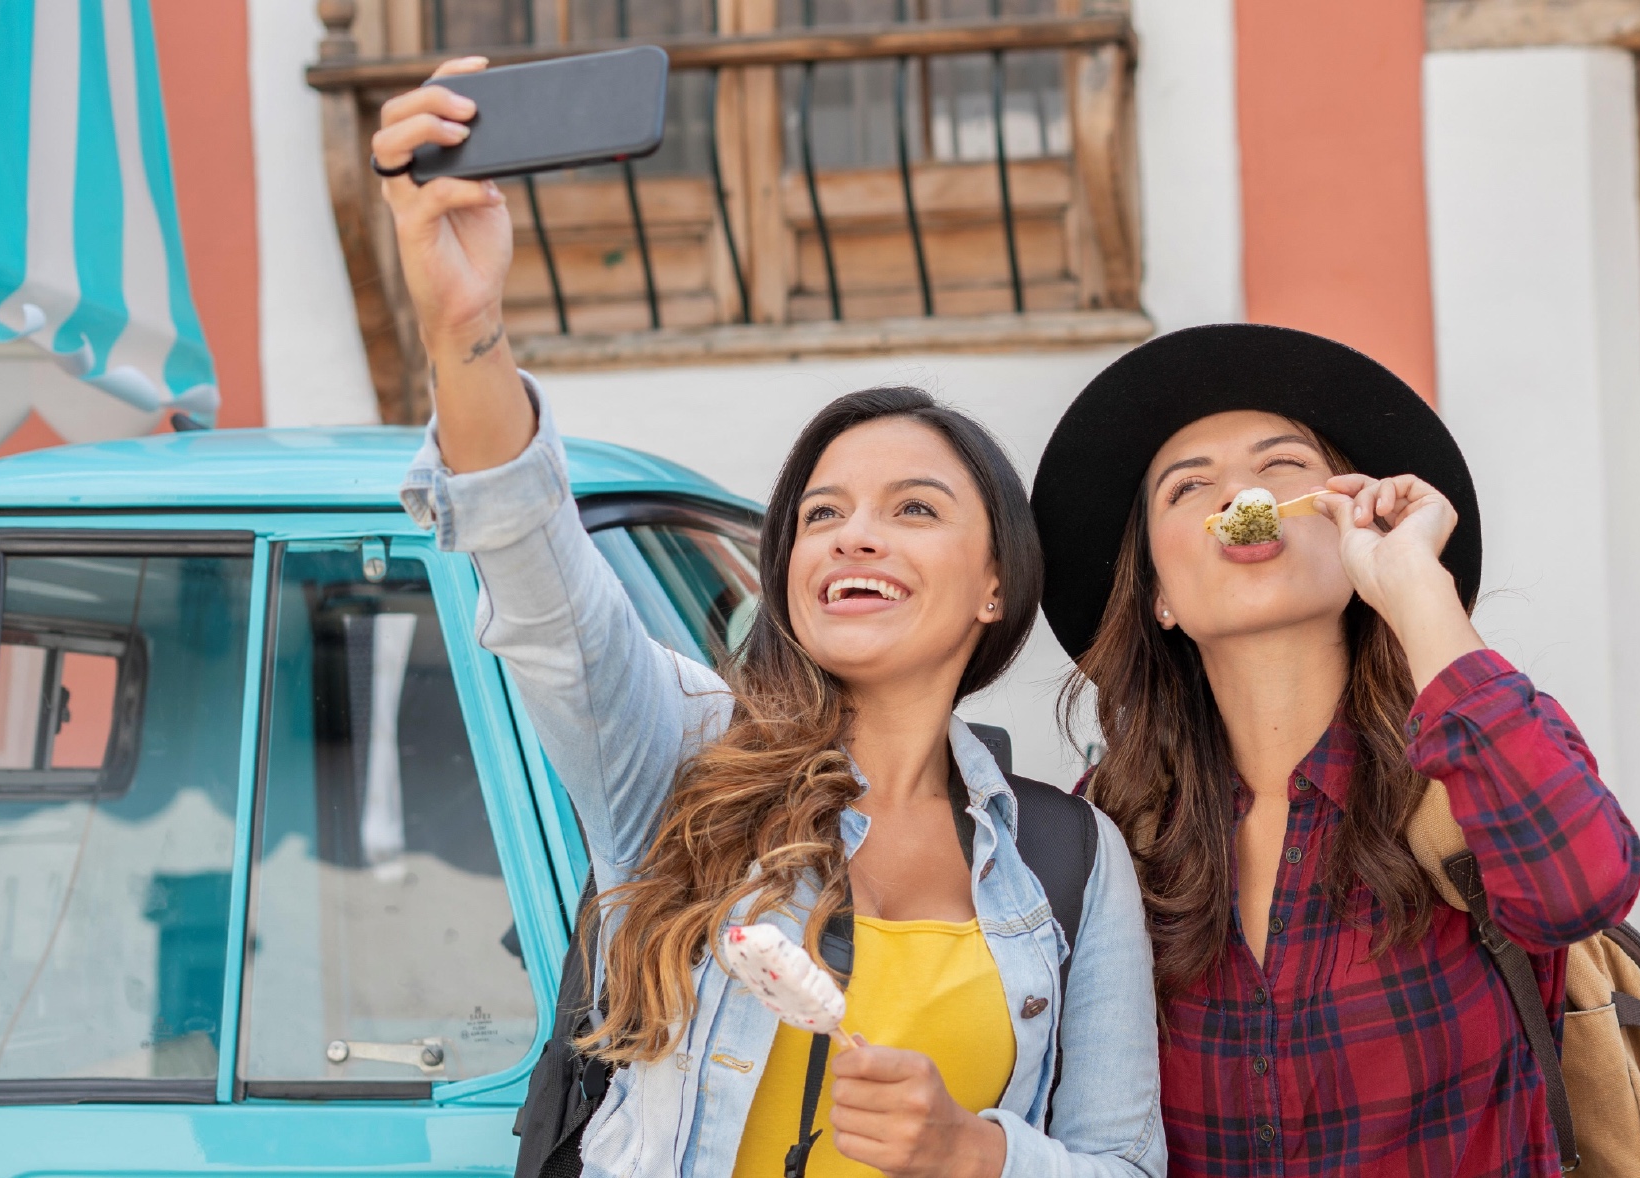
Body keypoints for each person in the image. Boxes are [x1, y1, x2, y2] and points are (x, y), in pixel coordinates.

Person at [371, 59, 1164, 1178]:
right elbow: (540, 583)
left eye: (914, 508)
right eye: (822, 512)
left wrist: (969, 1150)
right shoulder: (684, 758)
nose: (852, 534)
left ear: (996, 585)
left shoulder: (1071, 860)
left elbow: (1125, 1162)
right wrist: (464, 322)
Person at [1029, 324, 1640, 1176]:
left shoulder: (1462, 770)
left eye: (1282, 467)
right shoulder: (1109, 826)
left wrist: (1415, 591)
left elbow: (1583, 887)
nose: (1238, 490)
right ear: (1160, 595)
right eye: (1187, 486)